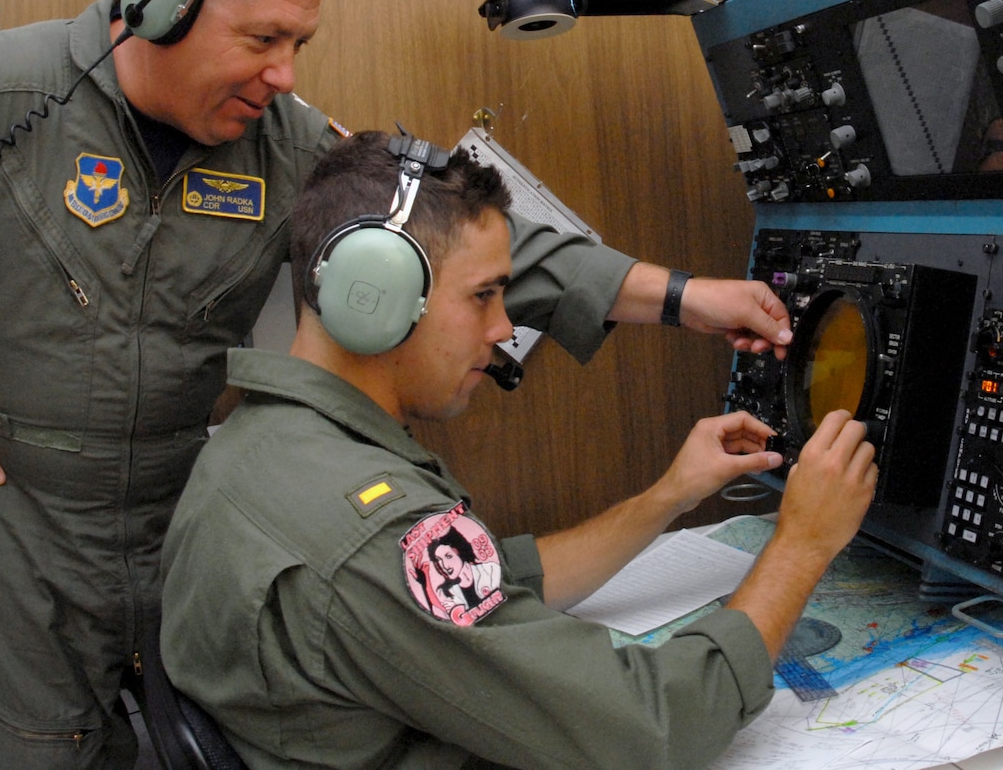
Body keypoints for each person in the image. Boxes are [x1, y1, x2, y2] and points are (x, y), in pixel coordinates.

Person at [0, 0, 796, 769]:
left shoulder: (279, 139)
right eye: (263, 40)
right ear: (162, 5)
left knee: (183, 718)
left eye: (298, 45)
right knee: (54, 743)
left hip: (179, 497)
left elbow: (436, 240)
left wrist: (676, 296)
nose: (282, 73)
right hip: (16, 505)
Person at [161, 131, 878, 770]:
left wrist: (671, 495)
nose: (505, 327)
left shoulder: (255, 447)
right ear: (372, 294)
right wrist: (802, 543)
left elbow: (490, 581)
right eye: (484, 296)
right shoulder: (366, 534)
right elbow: (655, 727)